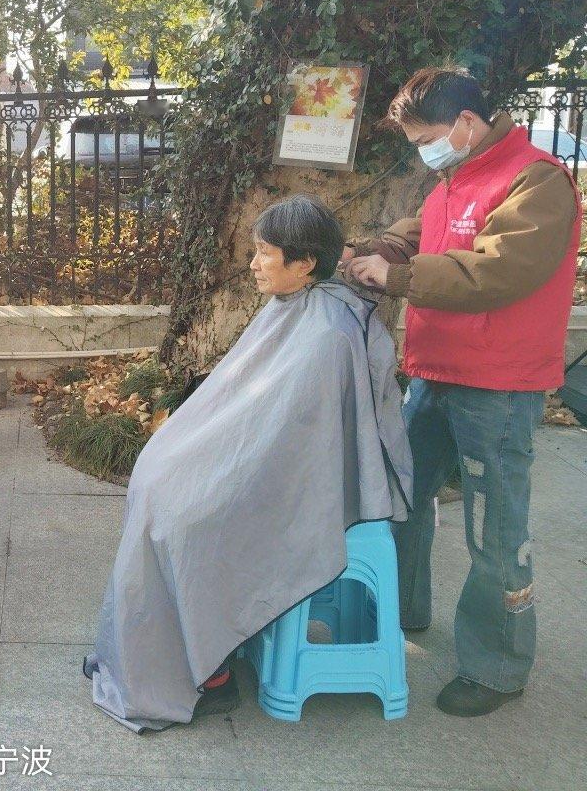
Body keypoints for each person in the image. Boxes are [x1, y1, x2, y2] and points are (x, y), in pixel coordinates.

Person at [84, 195, 412, 732]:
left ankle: (207, 670)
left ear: (304, 263)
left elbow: (291, 443)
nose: (253, 264)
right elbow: (246, 410)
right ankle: (171, 651)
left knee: (183, 522)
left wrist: (210, 468)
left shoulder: (329, 333)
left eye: (264, 252)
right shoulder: (292, 307)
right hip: (267, 460)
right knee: (160, 488)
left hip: (292, 479)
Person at [345, 67, 581, 717]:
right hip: (437, 371)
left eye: (427, 139)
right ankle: (401, 610)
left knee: (494, 529)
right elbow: (422, 232)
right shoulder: (457, 175)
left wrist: (396, 276)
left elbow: (497, 271)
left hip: (497, 385)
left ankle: (497, 667)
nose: (424, 151)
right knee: (400, 494)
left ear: (466, 123)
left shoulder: (537, 182)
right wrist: (374, 249)